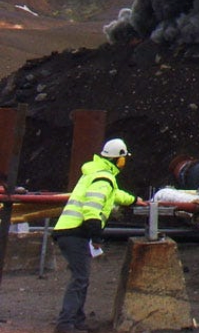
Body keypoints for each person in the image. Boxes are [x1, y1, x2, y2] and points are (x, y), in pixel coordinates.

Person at [52, 138, 141, 333]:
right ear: (117, 159)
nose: (124, 162)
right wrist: (96, 236)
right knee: (80, 278)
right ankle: (65, 323)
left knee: (81, 277)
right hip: (75, 232)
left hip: (70, 231)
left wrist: (134, 200)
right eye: (123, 158)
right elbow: (91, 208)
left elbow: (115, 194)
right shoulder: (104, 178)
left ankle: (77, 320)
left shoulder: (98, 174)